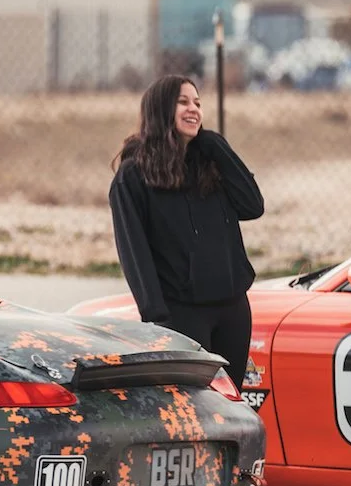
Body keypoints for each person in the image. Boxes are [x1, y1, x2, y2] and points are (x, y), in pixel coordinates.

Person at [109, 75, 264, 384]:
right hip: (183, 315)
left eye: (198, 103)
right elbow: (134, 252)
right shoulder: (134, 177)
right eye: (183, 102)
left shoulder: (210, 163)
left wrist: (216, 145)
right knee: (192, 407)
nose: (193, 109)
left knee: (230, 404)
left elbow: (252, 206)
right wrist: (156, 317)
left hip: (232, 310)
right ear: (161, 109)